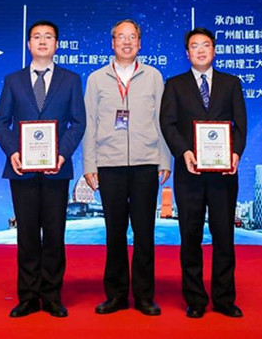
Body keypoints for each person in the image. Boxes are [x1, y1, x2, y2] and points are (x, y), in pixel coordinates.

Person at [0, 20, 86, 318]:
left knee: (55, 234)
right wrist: (14, 153)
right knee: (28, 234)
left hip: (56, 168)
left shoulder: (71, 80)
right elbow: (1, 123)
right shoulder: (13, 80)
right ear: (29, 44)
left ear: (57, 44)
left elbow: (78, 122)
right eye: (36, 37)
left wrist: (61, 154)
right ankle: (29, 297)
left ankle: (52, 295)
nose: (42, 41)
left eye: (48, 37)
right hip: (22, 170)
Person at [83, 19, 171, 316]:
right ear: (112, 43)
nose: (126, 42)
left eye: (132, 37)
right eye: (121, 37)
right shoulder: (96, 78)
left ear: (140, 43)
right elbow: (90, 123)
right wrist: (90, 164)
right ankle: (116, 295)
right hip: (110, 164)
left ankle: (145, 296)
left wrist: (164, 159)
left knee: (145, 232)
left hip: (146, 164)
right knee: (115, 233)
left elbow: (163, 121)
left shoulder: (154, 76)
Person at [160, 27, 247, 319]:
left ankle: (224, 299)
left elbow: (240, 124)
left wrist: (235, 153)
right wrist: (183, 151)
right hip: (189, 173)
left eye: (205, 45)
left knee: (224, 237)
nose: (200, 50)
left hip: (224, 174)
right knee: (190, 237)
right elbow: (168, 124)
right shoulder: (175, 85)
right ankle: (195, 298)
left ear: (214, 50)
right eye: (194, 46)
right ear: (187, 53)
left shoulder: (231, 83)